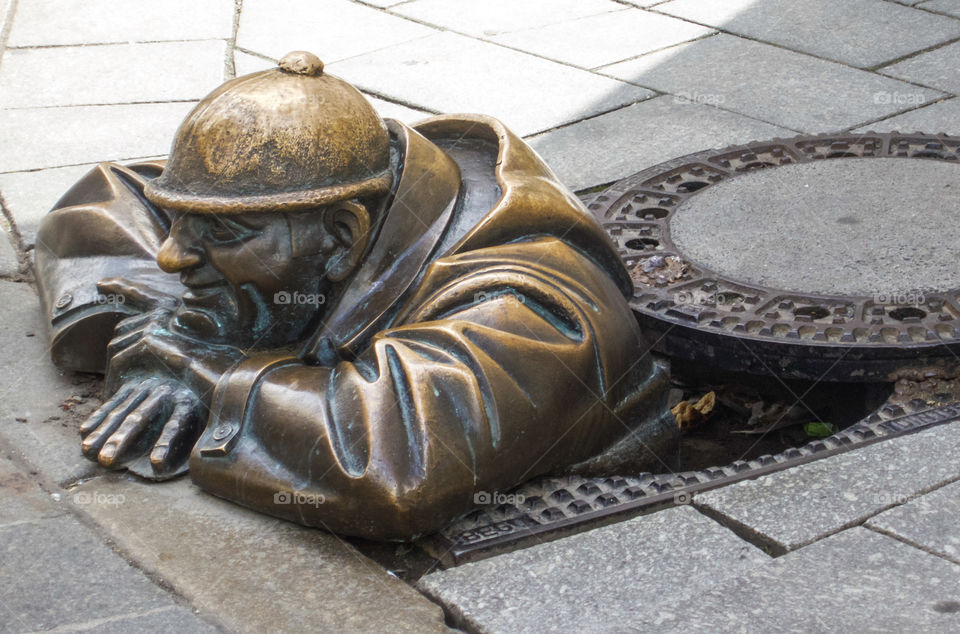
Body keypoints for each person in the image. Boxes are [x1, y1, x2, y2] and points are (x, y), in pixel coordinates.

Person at [36, 51, 674, 540]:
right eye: (179, 222)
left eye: (220, 233)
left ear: (344, 235)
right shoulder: (330, 192)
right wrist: (179, 323)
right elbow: (105, 199)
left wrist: (204, 371)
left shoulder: (528, 304)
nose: (171, 255)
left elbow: (398, 468)